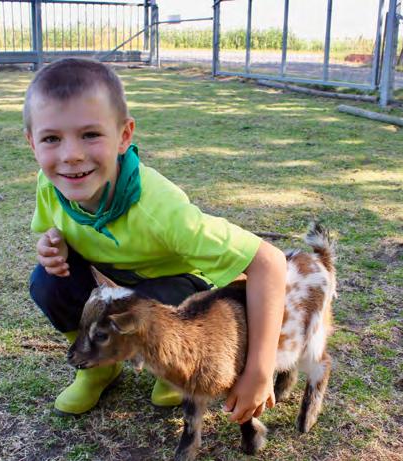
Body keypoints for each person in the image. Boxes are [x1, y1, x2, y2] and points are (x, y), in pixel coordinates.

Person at [24, 58, 286, 425]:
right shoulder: (49, 185)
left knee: (156, 304)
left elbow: (269, 262)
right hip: (119, 288)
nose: (71, 155)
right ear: (32, 143)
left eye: (90, 134)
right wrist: (54, 246)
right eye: (52, 138)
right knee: (47, 282)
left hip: (179, 292)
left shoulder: (161, 209)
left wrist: (260, 369)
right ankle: (97, 369)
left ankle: (173, 364)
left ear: (124, 135)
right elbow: (54, 230)